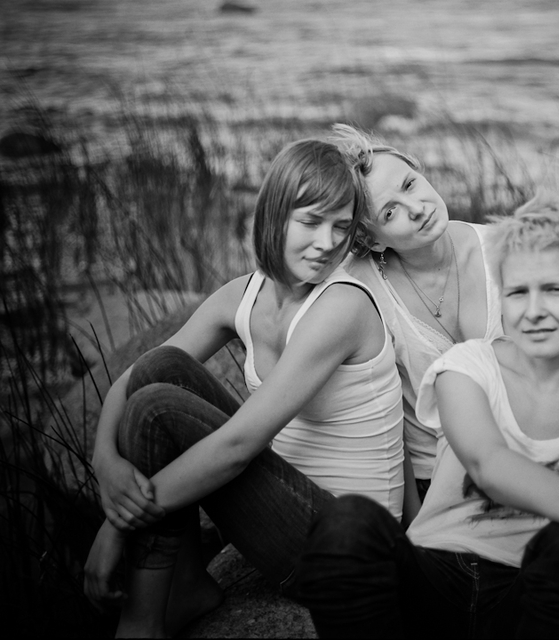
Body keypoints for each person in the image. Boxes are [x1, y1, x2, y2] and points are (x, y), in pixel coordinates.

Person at [329, 123, 559, 593]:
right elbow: (386, 413)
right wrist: (415, 523)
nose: (416, 207)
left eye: (410, 183)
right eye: (390, 211)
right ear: (372, 238)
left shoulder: (500, 248)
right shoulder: (361, 290)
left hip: (541, 437)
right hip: (444, 468)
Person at [295, 190, 559, 638]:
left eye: (555, 289)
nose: (534, 312)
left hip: (530, 589)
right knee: (346, 524)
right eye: (517, 292)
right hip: (433, 576)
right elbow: (486, 462)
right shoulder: (467, 366)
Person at [83, 139, 406, 638]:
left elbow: (238, 447)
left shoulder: (343, 306)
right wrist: (104, 462)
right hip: (290, 505)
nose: (327, 242)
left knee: (156, 410)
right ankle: (184, 585)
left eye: (341, 227)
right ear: (274, 213)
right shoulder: (243, 294)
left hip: (350, 548)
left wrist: (118, 525)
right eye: (311, 221)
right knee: (159, 370)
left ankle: (140, 624)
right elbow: (132, 376)